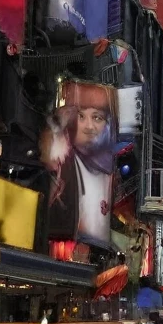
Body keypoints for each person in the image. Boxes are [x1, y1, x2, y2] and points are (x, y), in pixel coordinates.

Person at [41, 80, 118, 248]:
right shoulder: (62, 158)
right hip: (59, 247)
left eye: (97, 117)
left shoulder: (112, 169)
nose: (89, 126)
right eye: (81, 116)